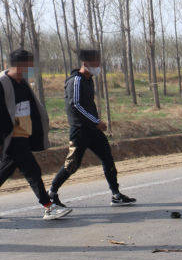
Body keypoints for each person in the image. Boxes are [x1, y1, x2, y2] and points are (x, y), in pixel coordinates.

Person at [49, 49, 135, 209]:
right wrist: (96, 121)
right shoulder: (76, 80)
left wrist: (95, 122)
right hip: (80, 130)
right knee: (72, 164)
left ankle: (116, 195)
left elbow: (88, 104)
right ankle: (52, 193)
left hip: (93, 130)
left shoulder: (89, 80)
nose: (98, 65)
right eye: (96, 62)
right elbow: (76, 105)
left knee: (107, 158)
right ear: (85, 63)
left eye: (99, 62)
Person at [0, 49, 70, 220]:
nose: (32, 69)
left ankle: (48, 206)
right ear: (20, 65)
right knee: (32, 171)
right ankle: (48, 206)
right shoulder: (2, 82)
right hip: (9, 135)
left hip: (22, 132)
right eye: (29, 66)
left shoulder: (23, 83)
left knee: (6, 171)